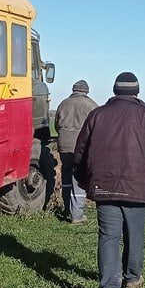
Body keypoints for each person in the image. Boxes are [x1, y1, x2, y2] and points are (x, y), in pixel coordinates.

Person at [73, 72, 145, 288]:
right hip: (138, 188)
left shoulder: (97, 115)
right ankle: (133, 279)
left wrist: (87, 184)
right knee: (135, 235)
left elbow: (80, 154)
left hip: (104, 189)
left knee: (108, 238)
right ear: (137, 91)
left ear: (115, 90)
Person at [54, 79, 97, 223]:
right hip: (80, 147)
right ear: (86, 91)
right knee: (78, 179)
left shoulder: (63, 103)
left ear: (73, 90)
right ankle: (77, 215)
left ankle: (68, 208)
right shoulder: (91, 105)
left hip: (63, 146)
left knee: (66, 175)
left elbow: (56, 124)